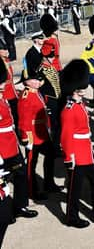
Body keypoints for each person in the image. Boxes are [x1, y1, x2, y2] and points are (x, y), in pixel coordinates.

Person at [59, 60, 94, 228]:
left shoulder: (80, 104)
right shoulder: (69, 109)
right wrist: (70, 158)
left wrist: (91, 146)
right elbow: (66, 136)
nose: (84, 91)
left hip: (87, 151)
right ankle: (72, 217)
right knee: (74, 190)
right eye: (81, 88)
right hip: (77, 154)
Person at [0, 59, 38, 223]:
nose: (3, 85)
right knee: (4, 183)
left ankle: (19, 206)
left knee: (20, 174)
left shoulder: (2, 98)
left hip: (11, 144)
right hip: (2, 148)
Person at [18, 67, 59, 200]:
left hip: (42, 132)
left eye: (37, 79)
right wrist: (26, 139)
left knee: (51, 156)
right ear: (26, 82)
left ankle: (49, 183)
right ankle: (31, 191)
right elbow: (24, 120)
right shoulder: (26, 96)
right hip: (32, 135)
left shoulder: (36, 92)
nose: (37, 81)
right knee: (31, 164)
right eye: (33, 79)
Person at [0, 37, 19, 127]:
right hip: (5, 94)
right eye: (3, 49)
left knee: (16, 114)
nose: (6, 51)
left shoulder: (6, 60)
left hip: (12, 92)